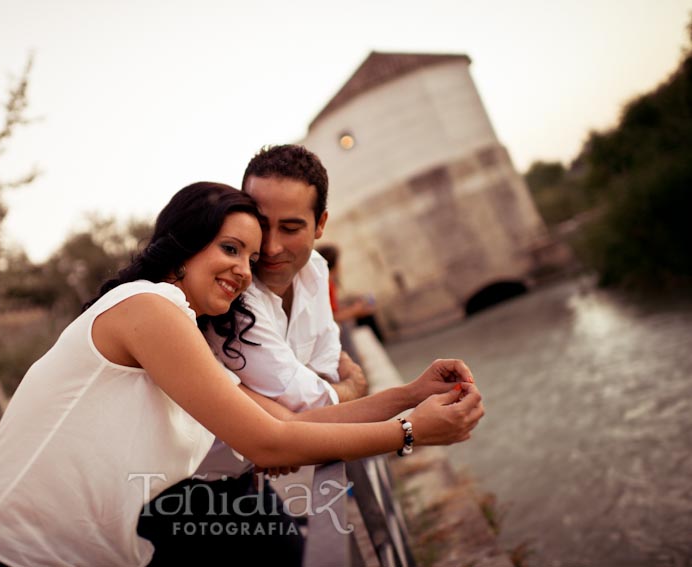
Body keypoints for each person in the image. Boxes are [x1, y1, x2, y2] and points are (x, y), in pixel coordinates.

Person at [0, 181, 483, 567]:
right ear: (184, 244)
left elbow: (297, 423)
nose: (243, 270)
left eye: (250, 258)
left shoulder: (181, 336)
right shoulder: (148, 307)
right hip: (11, 551)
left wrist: (409, 395)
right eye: (230, 248)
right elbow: (270, 443)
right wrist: (413, 433)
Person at [137, 146, 474, 565]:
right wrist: (396, 417)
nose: (272, 247)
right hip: (175, 495)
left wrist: (409, 393)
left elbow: (311, 391)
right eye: (260, 227)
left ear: (320, 225)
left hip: (242, 478)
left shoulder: (314, 270)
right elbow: (305, 408)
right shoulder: (227, 305)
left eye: (292, 227)